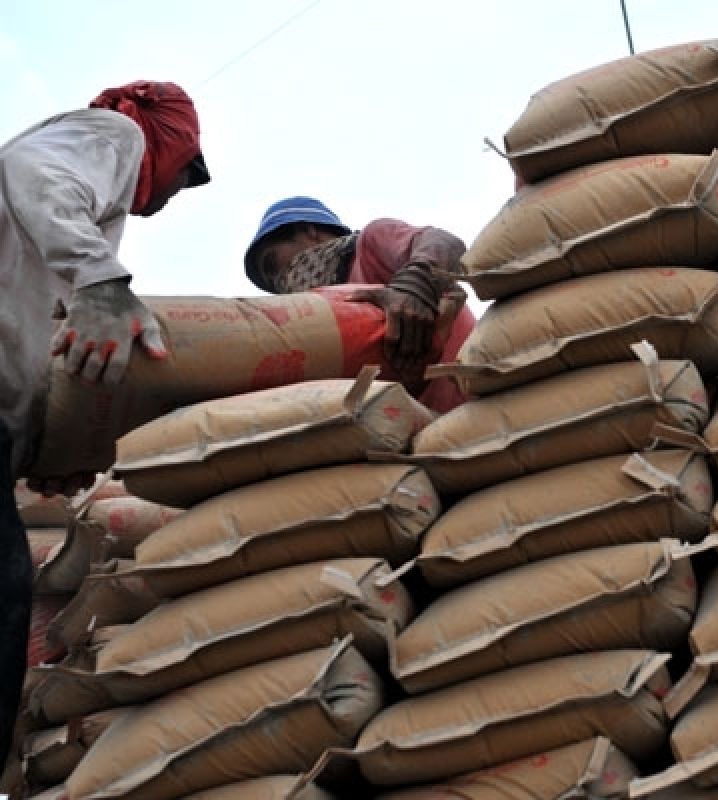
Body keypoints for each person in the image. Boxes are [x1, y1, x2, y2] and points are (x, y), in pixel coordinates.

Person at [0, 80, 209, 763]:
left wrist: (41, 445)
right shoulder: (114, 135)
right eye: (187, 171)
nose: (177, 194)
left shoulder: (65, 219)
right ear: (165, 138)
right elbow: (30, 168)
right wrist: (100, 281)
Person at [243, 197, 475, 412]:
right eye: (270, 283)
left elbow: (446, 243)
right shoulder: (319, 326)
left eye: (271, 264)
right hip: (423, 438)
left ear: (309, 231)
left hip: (474, 403)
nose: (277, 282)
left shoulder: (369, 248)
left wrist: (417, 283)